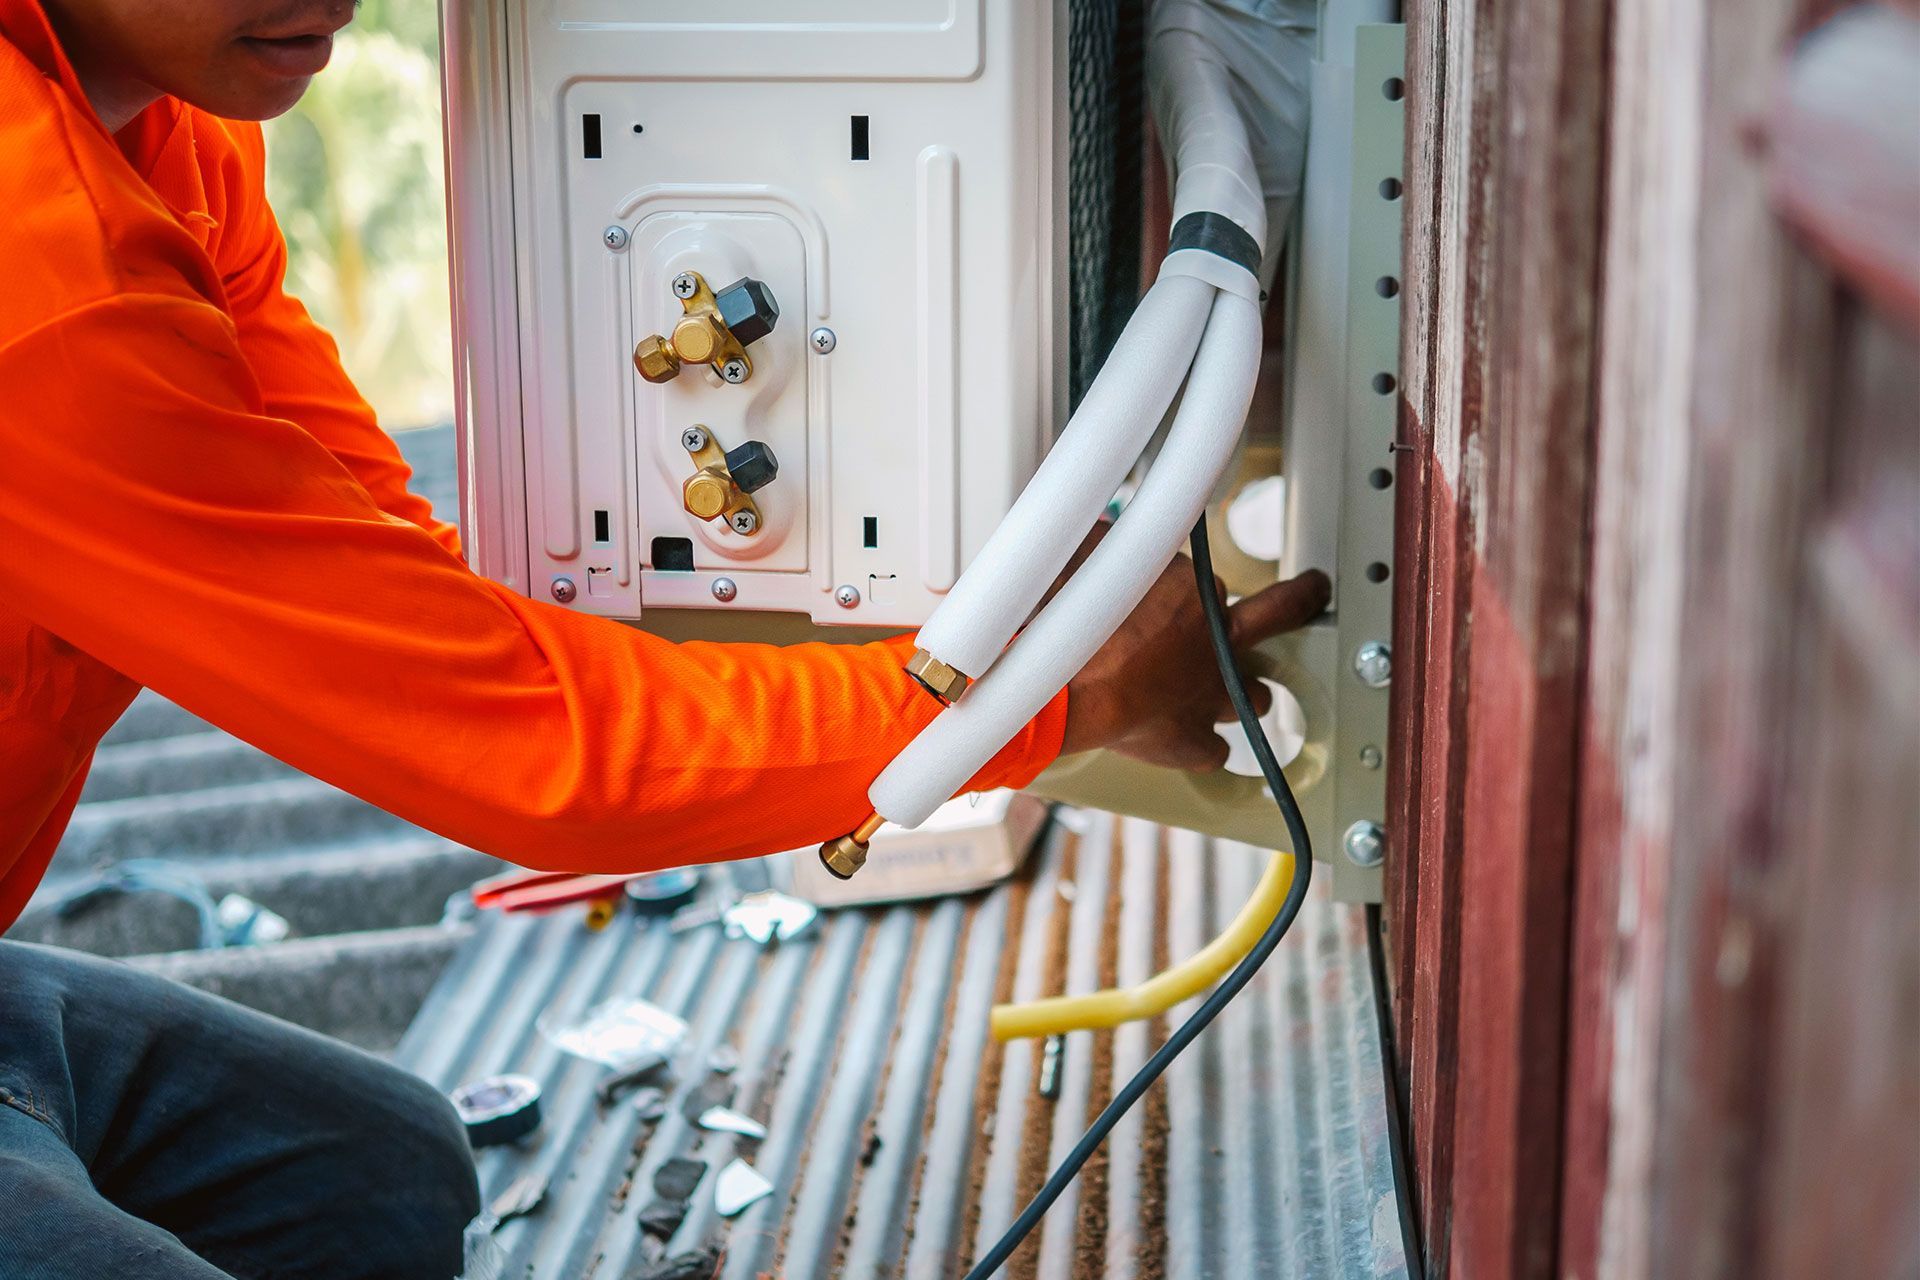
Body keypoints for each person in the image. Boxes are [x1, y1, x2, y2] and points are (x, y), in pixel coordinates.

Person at [0, 0, 1331, 1275]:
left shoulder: (169, 132)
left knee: (380, 1189)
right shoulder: (48, 285)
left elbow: (391, 573)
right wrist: (1054, 698)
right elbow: (529, 754)